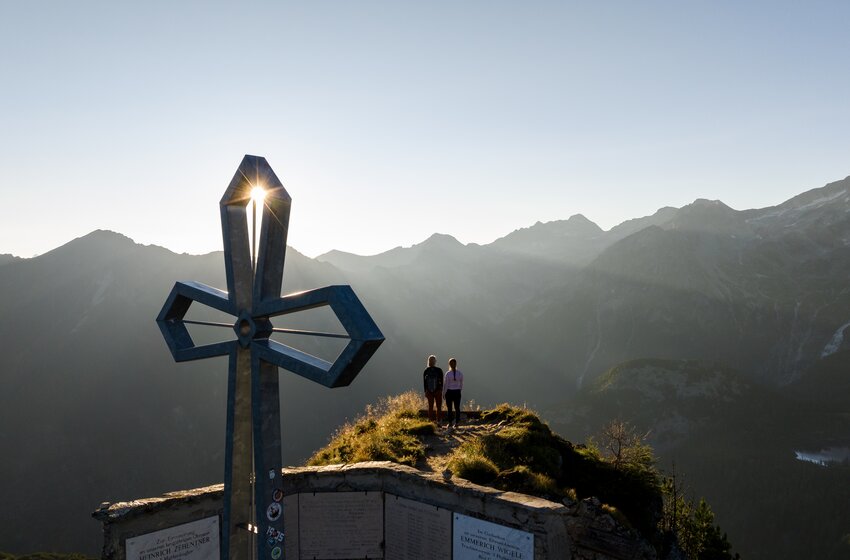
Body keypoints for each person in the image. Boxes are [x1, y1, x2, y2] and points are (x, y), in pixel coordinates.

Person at [443, 357, 464, 428]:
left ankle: (450, 423)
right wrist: (459, 390)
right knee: (457, 408)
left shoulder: (448, 374)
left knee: (449, 408)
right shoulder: (460, 373)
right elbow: (461, 384)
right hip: (457, 392)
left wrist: (444, 393)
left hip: (449, 392)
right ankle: (457, 423)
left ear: (449, 365)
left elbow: (446, 385)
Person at [423, 355, 444, 423]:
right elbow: (425, 382)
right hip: (431, 391)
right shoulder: (436, 370)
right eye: (431, 360)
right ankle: (433, 421)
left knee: (437, 406)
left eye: (433, 360)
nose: (432, 361)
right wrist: (426, 391)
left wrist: (441, 390)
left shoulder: (427, 370)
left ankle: (437, 421)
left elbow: (442, 381)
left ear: (435, 361)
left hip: (435, 391)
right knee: (432, 407)